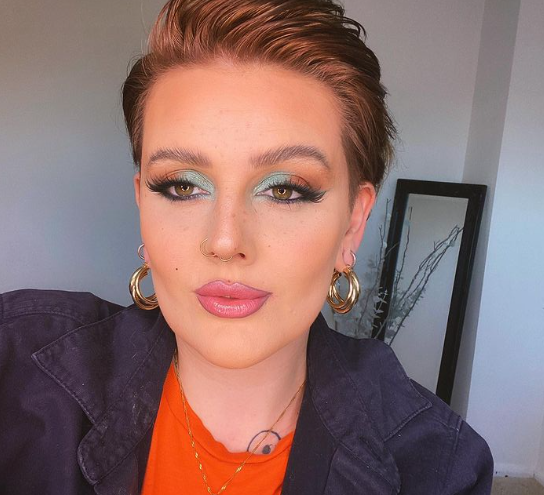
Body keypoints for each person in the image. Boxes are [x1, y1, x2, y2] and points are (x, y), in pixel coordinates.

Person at [0, 0, 493, 494]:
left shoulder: (443, 469)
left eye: (285, 190)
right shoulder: (15, 365)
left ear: (352, 223)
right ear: (143, 206)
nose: (225, 241)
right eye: (183, 187)